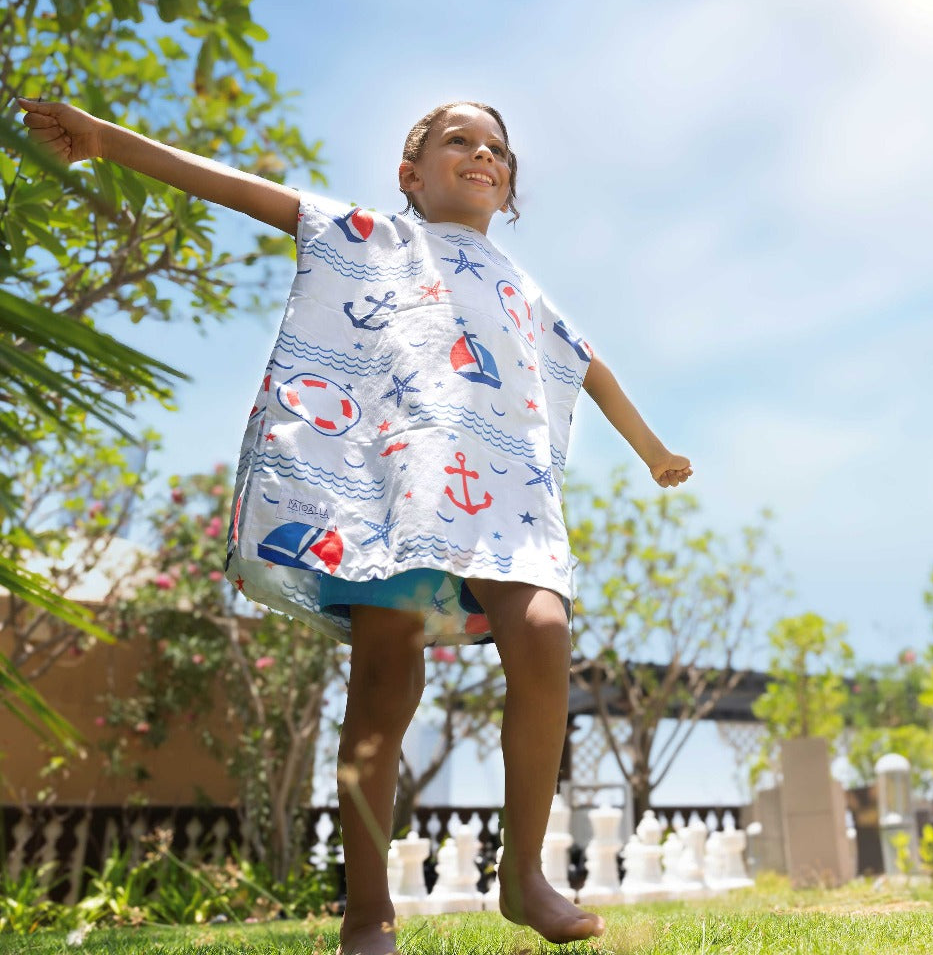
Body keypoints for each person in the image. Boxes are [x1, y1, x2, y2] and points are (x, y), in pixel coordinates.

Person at [18, 96, 693, 954]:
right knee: (383, 678)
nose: (483, 153)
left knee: (545, 631)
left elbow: (590, 369)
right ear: (412, 175)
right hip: (400, 494)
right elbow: (243, 190)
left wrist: (654, 450)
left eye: (497, 148)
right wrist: (108, 139)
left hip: (504, 497)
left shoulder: (523, 287)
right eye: (459, 141)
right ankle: (368, 910)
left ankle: (523, 876)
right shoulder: (371, 235)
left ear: (510, 185)